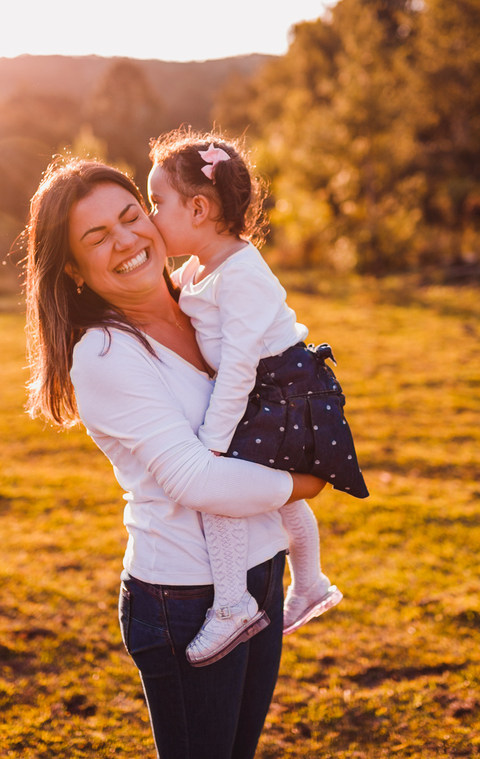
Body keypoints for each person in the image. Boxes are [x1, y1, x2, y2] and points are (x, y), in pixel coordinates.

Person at [23, 158, 326, 759]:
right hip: (185, 597)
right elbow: (196, 479)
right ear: (73, 269)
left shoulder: (203, 298)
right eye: (97, 237)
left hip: (263, 571)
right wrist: (303, 484)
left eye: (130, 216)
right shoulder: (105, 355)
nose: (125, 240)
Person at [145, 129, 369, 667]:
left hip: (283, 390)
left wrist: (213, 441)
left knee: (221, 489)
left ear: (198, 209)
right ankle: (310, 584)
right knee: (281, 494)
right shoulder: (200, 266)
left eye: (156, 203)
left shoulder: (241, 274)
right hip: (268, 390)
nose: (150, 217)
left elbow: (240, 365)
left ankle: (233, 605)